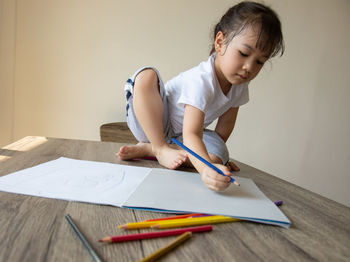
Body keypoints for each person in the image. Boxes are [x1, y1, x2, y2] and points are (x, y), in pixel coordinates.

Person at [117, 1, 284, 191]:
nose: (249, 68)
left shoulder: (240, 85)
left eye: (260, 62)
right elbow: (192, 134)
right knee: (146, 76)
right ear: (220, 42)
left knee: (218, 155)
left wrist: (217, 161)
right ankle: (158, 146)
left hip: (181, 138)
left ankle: (151, 150)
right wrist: (205, 170)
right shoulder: (202, 80)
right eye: (244, 53)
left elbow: (224, 128)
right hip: (154, 123)